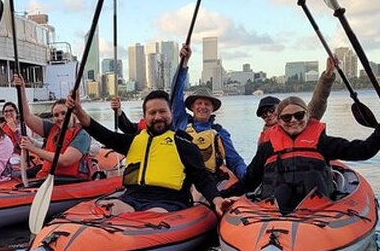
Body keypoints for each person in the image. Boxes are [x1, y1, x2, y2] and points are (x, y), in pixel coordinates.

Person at [220, 95, 380, 214]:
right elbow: (249, 181)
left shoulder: (323, 143)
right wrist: (219, 196)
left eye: (299, 115)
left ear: (307, 116)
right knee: (280, 190)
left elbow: (363, 150)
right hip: (274, 210)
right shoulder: (267, 148)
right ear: (279, 120)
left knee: (312, 176)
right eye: (286, 117)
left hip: (318, 209)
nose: (293, 121)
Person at [67, 88, 223, 214]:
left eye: (162, 111)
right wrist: (79, 110)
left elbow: (203, 179)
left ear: (171, 113)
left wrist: (216, 199)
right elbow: (104, 135)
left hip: (168, 202)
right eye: (152, 113)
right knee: (108, 208)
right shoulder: (134, 141)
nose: (158, 117)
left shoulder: (185, 145)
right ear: (145, 116)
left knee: (152, 214)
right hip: (132, 198)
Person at [172, 44, 247, 180]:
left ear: (212, 109)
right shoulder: (181, 122)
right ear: (192, 107)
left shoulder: (220, 132)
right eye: (199, 103)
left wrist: (248, 178)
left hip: (209, 180)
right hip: (181, 178)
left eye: (207, 104)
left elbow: (234, 160)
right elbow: (176, 93)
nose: (203, 107)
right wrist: (183, 63)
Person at [12, 74, 93, 181]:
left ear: (73, 114)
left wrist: (33, 149)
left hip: (70, 180)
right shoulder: (52, 129)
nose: (60, 118)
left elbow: (65, 160)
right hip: (50, 176)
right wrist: (21, 88)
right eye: (56, 115)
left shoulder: (82, 135)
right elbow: (27, 117)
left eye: (64, 113)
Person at [257, 56, 338, 143]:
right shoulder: (264, 139)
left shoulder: (301, 120)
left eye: (271, 109)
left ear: (281, 109)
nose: (268, 114)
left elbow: (318, 101)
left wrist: (327, 75)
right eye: (264, 114)